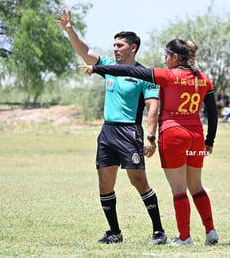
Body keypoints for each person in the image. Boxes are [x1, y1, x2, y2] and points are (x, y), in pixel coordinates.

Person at [80, 39, 219, 246]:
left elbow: (129, 72)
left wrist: (96, 68)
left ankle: (184, 237)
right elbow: (213, 112)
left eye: (166, 56)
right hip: (197, 137)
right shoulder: (203, 79)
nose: (164, 60)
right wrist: (210, 140)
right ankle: (211, 232)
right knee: (197, 186)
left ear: (174, 57)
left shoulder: (168, 75)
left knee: (179, 189)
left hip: (174, 135)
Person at [56, 10, 166, 245]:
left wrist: (150, 137)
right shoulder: (107, 67)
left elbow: (153, 108)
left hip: (130, 132)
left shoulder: (145, 75)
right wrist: (69, 30)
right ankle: (114, 232)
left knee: (138, 181)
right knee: (105, 182)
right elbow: (85, 53)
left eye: (120, 45)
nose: (115, 49)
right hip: (107, 132)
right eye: (114, 45)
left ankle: (159, 231)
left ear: (133, 48)